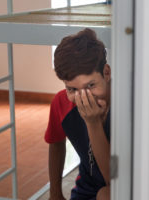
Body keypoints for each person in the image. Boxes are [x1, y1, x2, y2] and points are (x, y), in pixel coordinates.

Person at [44, 28, 111, 200]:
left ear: (106, 73)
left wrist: (93, 123)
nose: (83, 98)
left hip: (122, 184)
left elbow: (114, 178)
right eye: (72, 89)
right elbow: (56, 145)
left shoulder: (127, 105)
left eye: (90, 86)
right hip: (86, 188)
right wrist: (55, 194)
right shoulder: (61, 103)